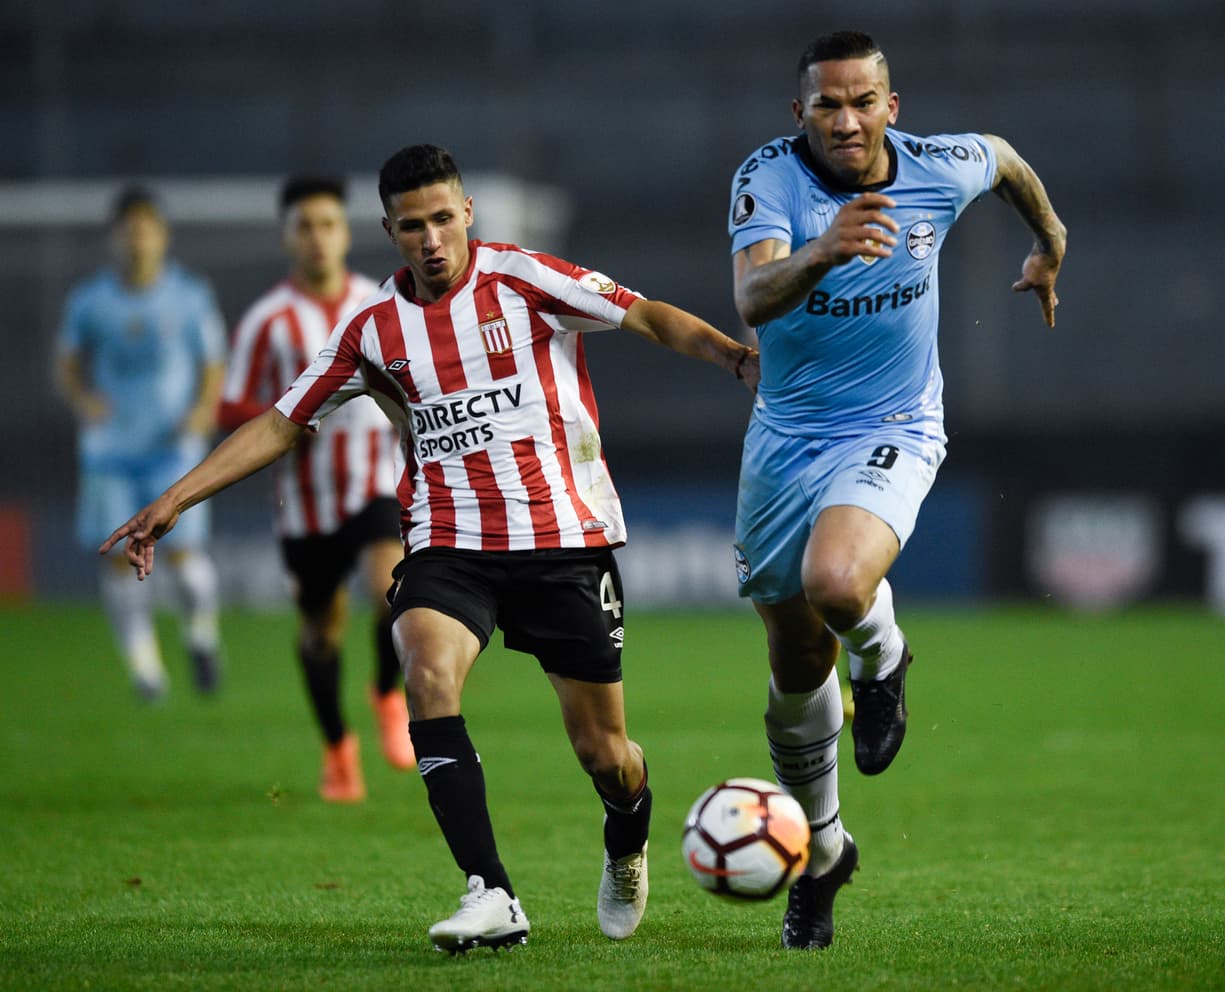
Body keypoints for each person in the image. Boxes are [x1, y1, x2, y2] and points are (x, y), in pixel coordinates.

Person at [101, 143, 760, 951]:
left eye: (444, 219)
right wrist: (171, 501)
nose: (431, 239)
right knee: (426, 668)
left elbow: (643, 312)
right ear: (389, 230)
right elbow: (279, 422)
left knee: (605, 751)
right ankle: (492, 891)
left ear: (468, 215)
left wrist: (728, 353)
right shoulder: (371, 329)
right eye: (412, 226)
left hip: (563, 542)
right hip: (450, 544)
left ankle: (627, 837)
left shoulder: (523, 277)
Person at [728, 31, 1066, 949]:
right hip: (786, 439)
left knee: (836, 584)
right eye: (826, 105)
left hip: (894, 427)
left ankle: (882, 658)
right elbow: (753, 300)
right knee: (795, 662)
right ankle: (825, 851)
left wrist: (1051, 238)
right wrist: (825, 252)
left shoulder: (934, 168)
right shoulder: (769, 180)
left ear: (892, 107)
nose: (846, 119)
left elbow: (1002, 157)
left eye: (862, 100)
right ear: (798, 114)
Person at [219, 176, 415, 803]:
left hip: (377, 482)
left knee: (393, 589)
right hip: (306, 502)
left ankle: (387, 692)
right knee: (321, 629)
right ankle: (337, 748)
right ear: (287, 237)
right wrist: (287, 417)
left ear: (344, 232)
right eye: (305, 226)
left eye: (328, 224)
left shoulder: (378, 300)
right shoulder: (268, 321)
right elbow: (230, 410)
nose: (318, 237)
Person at [56, 186, 227, 702]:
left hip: (173, 448)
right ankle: (146, 669)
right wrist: (84, 400)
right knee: (117, 561)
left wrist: (202, 410)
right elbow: (67, 363)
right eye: (128, 229)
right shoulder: (90, 300)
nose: (138, 239)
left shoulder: (190, 295)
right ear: (115, 238)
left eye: (146, 228)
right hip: (110, 451)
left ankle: (201, 635)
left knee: (186, 561)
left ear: (162, 235)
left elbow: (213, 363)